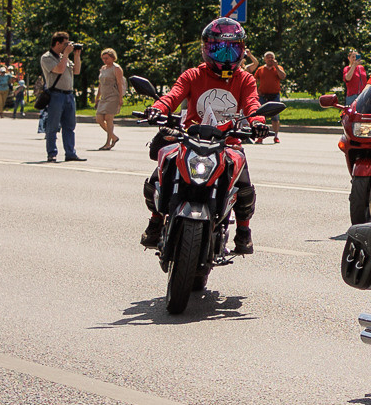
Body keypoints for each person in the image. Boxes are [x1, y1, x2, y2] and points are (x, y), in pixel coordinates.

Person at [142, 17, 268, 253]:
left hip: (227, 142)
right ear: (206, 49)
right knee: (159, 175)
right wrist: (158, 109)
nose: (226, 56)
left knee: (244, 185)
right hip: (190, 139)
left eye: (232, 50)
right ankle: (155, 223)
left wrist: (258, 122)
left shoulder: (245, 79)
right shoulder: (192, 75)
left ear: (242, 50)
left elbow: (252, 103)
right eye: (218, 49)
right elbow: (173, 95)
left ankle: (243, 232)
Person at [35, 31, 83, 162]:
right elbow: (59, 70)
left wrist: (77, 55)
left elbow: (77, 71)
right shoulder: (47, 57)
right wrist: (66, 54)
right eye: (66, 43)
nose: (68, 46)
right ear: (57, 43)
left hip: (68, 95)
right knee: (53, 126)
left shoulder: (64, 57)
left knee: (70, 126)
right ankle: (52, 153)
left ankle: (70, 153)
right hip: (56, 94)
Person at [93, 47, 127, 151]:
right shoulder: (103, 68)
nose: (105, 60)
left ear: (113, 58)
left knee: (109, 119)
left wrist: (120, 98)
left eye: (107, 58)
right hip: (104, 96)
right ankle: (114, 137)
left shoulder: (116, 68)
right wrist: (97, 97)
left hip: (113, 96)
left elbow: (119, 84)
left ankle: (108, 143)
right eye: (103, 58)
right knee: (99, 119)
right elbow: (100, 84)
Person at [254, 51, 286, 131]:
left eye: (272, 57)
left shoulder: (278, 68)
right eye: (268, 57)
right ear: (265, 59)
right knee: (261, 116)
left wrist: (277, 67)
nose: (270, 59)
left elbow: (282, 77)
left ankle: (276, 136)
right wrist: (256, 91)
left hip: (274, 95)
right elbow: (254, 81)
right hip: (263, 96)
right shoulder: (260, 69)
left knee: (275, 117)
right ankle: (260, 137)